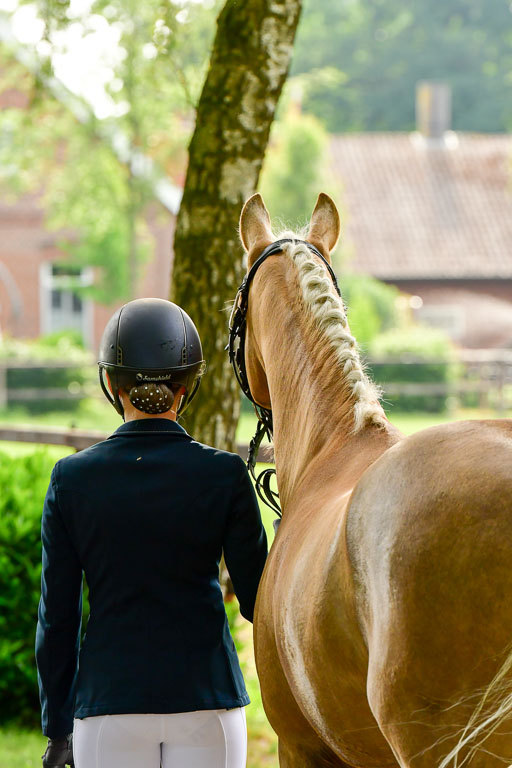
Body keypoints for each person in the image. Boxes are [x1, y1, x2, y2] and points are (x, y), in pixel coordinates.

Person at [36, 298, 268, 768]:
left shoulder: (72, 479)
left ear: (110, 383)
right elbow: (258, 601)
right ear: (188, 386)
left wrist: (57, 729)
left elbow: (57, 619)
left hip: (107, 706)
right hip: (209, 702)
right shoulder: (224, 475)